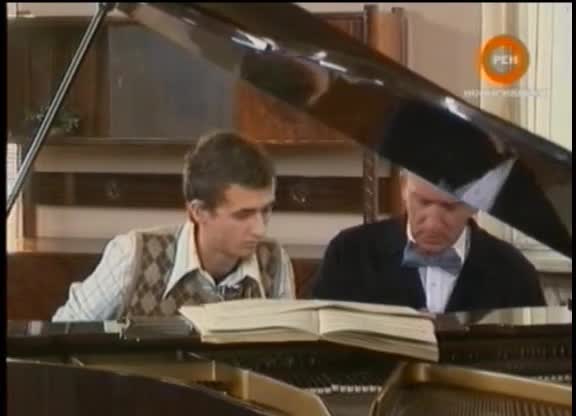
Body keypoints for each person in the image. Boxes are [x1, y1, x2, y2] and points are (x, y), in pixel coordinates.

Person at [53, 131, 295, 321]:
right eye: (243, 215)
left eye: (266, 210)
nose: (260, 229)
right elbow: (64, 334)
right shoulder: (132, 254)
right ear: (198, 212)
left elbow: (288, 354)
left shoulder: (275, 261)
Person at [312, 170, 545, 313]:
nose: (433, 224)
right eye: (422, 202)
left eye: (450, 207)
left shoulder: (514, 272)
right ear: (403, 189)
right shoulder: (348, 253)